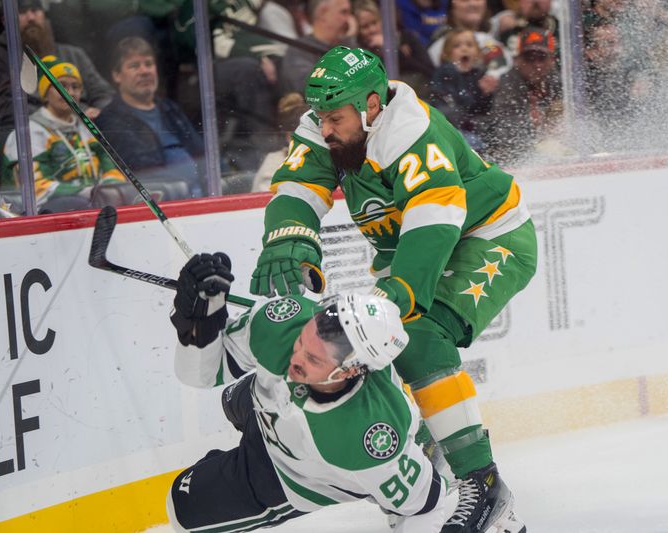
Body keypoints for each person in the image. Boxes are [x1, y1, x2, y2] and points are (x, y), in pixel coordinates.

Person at [249, 46, 535, 532]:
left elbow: (436, 218)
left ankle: (484, 486)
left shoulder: (411, 131)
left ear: (373, 106)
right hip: (408, 248)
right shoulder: (332, 123)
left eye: (333, 118)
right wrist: (290, 235)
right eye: (319, 117)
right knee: (374, 349)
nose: (324, 129)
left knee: (419, 339)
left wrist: (401, 291)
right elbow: (296, 187)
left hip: (485, 236)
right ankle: (429, 458)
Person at [166, 252, 449, 532]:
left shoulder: (366, 442)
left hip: (290, 472)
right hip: (264, 406)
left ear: (350, 370)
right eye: (302, 341)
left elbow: (429, 506)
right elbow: (201, 375)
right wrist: (199, 327)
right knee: (228, 400)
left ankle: (415, 458)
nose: (295, 358)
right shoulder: (285, 322)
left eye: (314, 359)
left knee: (181, 508)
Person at [1, 56, 125, 213]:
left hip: (95, 207)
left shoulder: (86, 126)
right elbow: (36, 188)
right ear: (45, 93)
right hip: (45, 216)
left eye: (75, 87)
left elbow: (110, 165)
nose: (70, 92)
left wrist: (110, 187)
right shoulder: (28, 133)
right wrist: (88, 192)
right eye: (61, 86)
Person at [95, 37, 205, 198]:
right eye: (134, 66)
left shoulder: (169, 108)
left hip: (203, 192)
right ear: (117, 76)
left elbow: (203, 153)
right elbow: (143, 172)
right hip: (164, 199)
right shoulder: (110, 118)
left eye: (149, 64)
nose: (144, 71)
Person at [483, 26, 562, 164]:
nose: (536, 64)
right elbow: (504, 131)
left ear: (552, 60)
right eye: (529, 58)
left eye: (542, 58)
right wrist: (537, 125)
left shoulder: (560, 83)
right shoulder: (508, 83)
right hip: (519, 159)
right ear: (517, 60)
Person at [429, 29, 498, 150]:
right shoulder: (446, 71)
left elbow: (482, 109)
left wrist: (486, 94)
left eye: (469, 45)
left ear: (477, 52)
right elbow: (456, 102)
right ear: (446, 54)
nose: (464, 49)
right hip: (450, 125)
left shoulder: (478, 74)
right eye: (457, 46)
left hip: (469, 125)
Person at [353, 0, 434, 97]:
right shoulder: (358, 53)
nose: (372, 29)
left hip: (417, 94)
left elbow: (428, 71)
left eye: (374, 23)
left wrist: (393, 50)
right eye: (365, 26)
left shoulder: (406, 38)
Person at [278, 0, 357, 95]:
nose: (349, 20)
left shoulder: (349, 43)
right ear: (322, 13)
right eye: (344, 12)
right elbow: (313, 86)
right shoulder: (299, 50)